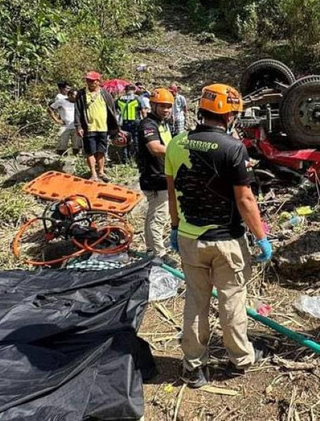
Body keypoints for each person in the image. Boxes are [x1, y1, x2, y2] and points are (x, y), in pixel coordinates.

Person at [165, 83, 272, 388]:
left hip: (189, 237)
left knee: (195, 302)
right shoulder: (232, 148)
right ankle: (240, 358)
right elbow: (245, 200)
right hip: (226, 240)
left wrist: (174, 227)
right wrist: (261, 237)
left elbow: (174, 193)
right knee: (232, 301)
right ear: (230, 116)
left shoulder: (176, 143)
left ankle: (193, 366)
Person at [136, 88, 175, 256]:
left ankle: (151, 249)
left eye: (168, 106)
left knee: (153, 215)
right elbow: (154, 148)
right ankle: (160, 254)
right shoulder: (148, 124)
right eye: (162, 106)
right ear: (152, 105)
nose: (166, 110)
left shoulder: (163, 123)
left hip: (162, 175)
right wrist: (179, 151)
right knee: (159, 217)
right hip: (155, 178)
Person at [74, 71, 120, 182]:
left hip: (103, 127)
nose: (89, 82)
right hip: (88, 128)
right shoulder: (81, 94)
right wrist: (78, 126)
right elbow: (77, 111)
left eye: (92, 80)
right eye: (87, 80)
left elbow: (112, 110)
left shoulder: (105, 94)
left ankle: (101, 171)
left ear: (98, 81)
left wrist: (114, 127)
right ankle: (93, 174)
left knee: (101, 151)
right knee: (90, 152)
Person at [49, 82, 81, 155]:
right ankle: (60, 161)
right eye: (74, 95)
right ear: (69, 95)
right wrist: (56, 120)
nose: (76, 97)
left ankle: (75, 161)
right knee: (62, 145)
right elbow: (50, 109)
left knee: (77, 146)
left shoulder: (78, 103)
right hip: (65, 126)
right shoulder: (61, 101)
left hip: (76, 126)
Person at [116, 84, 142, 162]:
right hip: (135, 121)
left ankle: (125, 159)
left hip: (124, 122)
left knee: (125, 140)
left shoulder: (119, 99)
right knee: (136, 140)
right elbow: (143, 110)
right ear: (134, 90)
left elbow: (115, 109)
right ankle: (137, 159)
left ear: (125, 90)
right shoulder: (137, 98)